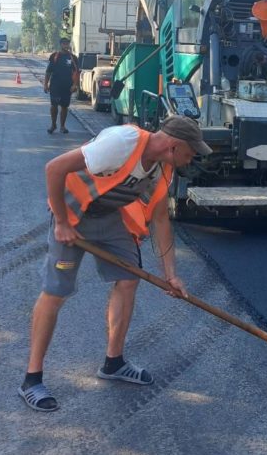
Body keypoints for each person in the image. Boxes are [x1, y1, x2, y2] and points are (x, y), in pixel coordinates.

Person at [18, 115, 212, 412]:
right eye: (191, 152)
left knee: (128, 279)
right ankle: (32, 379)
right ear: (174, 145)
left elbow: (161, 219)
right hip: (73, 215)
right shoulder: (121, 143)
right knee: (56, 292)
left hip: (110, 218)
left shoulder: (165, 167)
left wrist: (171, 275)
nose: (193, 159)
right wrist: (60, 222)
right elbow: (54, 168)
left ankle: (114, 362)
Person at [44, 37, 79, 134]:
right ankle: (53, 125)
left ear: (69, 45)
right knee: (54, 105)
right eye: (64, 44)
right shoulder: (54, 56)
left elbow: (76, 73)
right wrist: (45, 84)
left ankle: (62, 126)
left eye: (67, 44)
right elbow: (48, 72)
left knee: (64, 106)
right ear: (60, 45)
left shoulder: (73, 58)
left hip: (67, 86)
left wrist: (75, 85)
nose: (66, 46)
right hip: (55, 86)